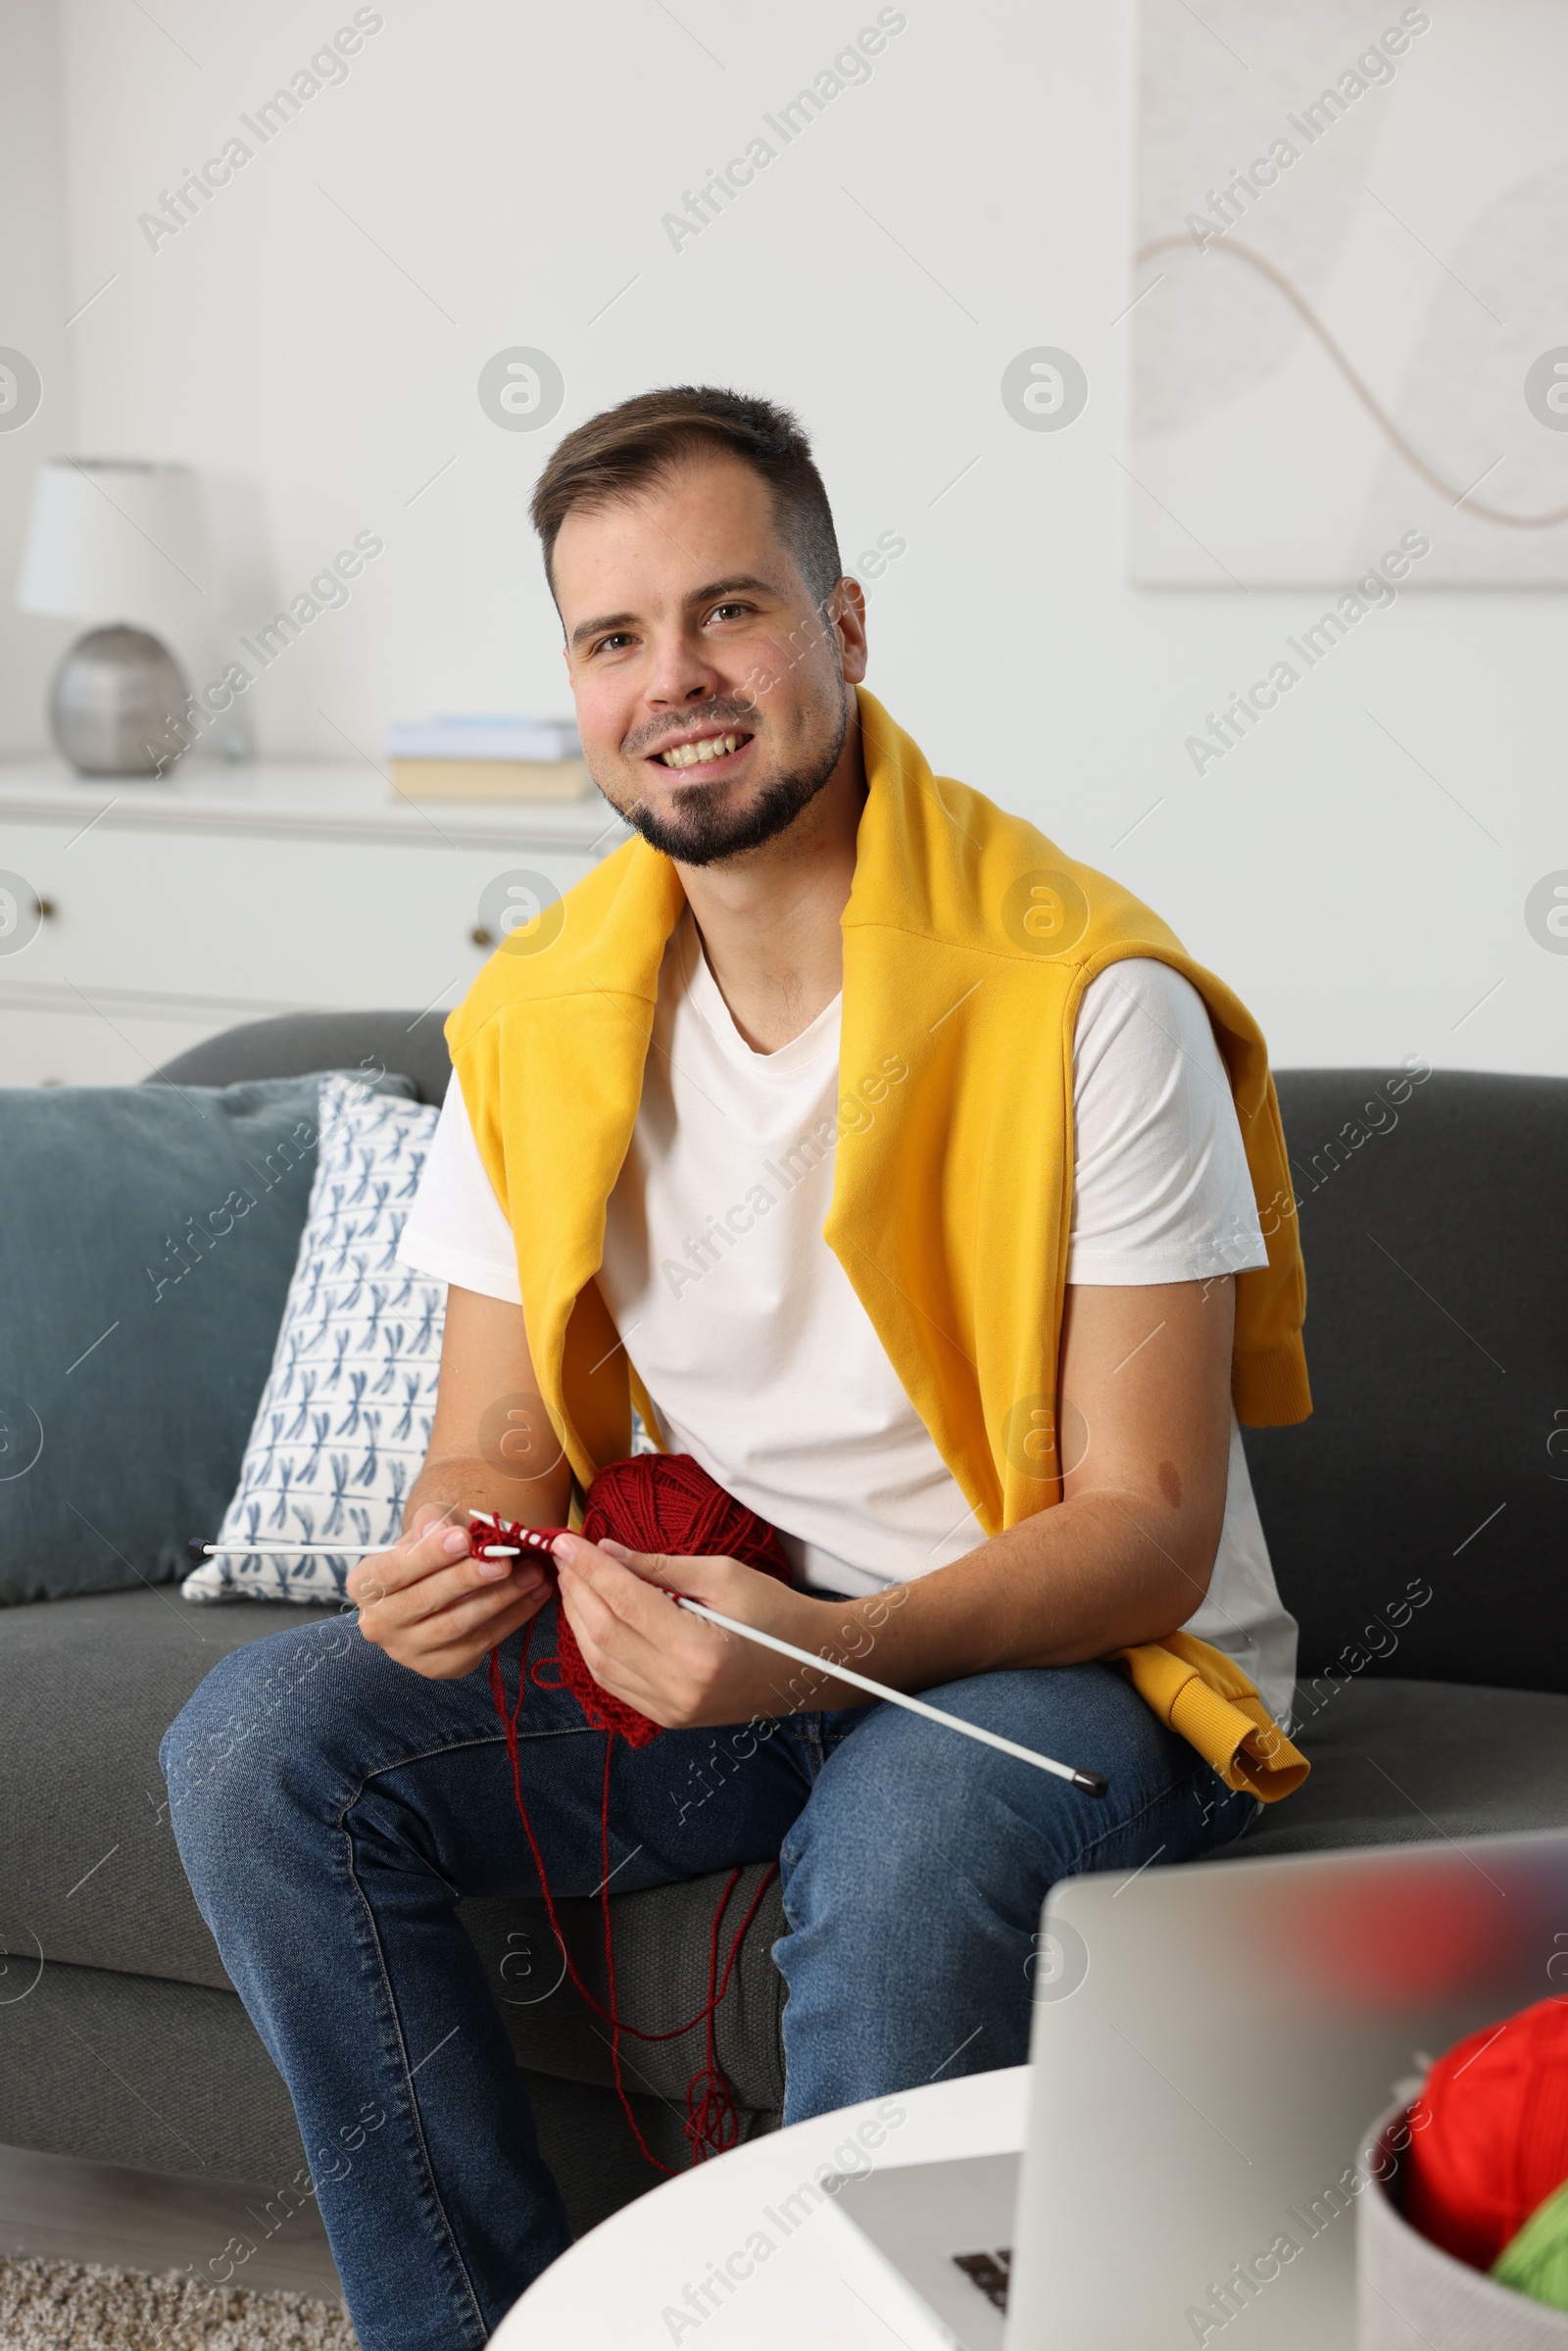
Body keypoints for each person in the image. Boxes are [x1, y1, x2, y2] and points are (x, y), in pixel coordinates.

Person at [164, 385, 1310, 2351]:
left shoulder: (1080, 1001)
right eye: (611, 638)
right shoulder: (533, 1017)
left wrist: (824, 1652)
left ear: (842, 631)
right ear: (575, 684)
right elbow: (499, 1449)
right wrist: (451, 1563)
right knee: (259, 1751)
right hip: (739, 1624)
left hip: (1065, 1658)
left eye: (727, 613)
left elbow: (1142, 1527)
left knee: (908, 1851)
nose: (670, 681)